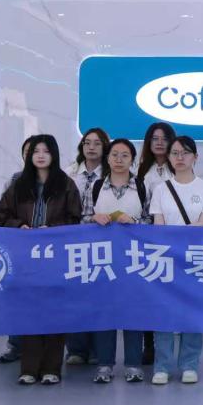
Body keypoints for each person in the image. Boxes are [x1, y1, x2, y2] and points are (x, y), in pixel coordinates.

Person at [0, 134, 82, 385]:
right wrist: (19, 225)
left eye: (46, 151)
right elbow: (2, 213)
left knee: (55, 312)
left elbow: (75, 218)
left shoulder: (66, 184)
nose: (41, 155)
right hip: (27, 258)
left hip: (56, 258)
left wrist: (52, 229)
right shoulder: (19, 184)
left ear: (54, 155)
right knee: (30, 312)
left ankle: (51, 369)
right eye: (36, 151)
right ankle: (29, 368)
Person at [148, 136, 203, 385]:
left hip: (195, 259)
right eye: (175, 153)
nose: (180, 157)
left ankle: (190, 364)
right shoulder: (160, 189)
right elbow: (158, 225)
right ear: (168, 157)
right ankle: (162, 366)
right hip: (167, 259)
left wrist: (179, 237)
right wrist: (174, 242)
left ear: (195, 157)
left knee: (193, 313)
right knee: (164, 313)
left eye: (185, 153)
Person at [84, 138, 151, 384]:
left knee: (134, 311)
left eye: (125, 155)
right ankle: (104, 364)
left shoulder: (142, 186)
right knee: (105, 310)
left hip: (133, 259)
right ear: (108, 158)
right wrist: (94, 219)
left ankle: (133, 364)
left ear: (132, 159)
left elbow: (151, 221)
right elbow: (82, 218)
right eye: (115, 155)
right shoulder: (96, 186)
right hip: (102, 260)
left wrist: (133, 222)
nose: (119, 160)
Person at [65, 127, 110, 366]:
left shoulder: (112, 174)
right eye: (87, 143)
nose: (91, 147)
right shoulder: (69, 173)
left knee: (100, 297)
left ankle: (96, 350)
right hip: (73, 242)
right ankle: (76, 349)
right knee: (75, 297)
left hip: (101, 243)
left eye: (97, 143)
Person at [136, 121, 176, 364]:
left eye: (164, 138)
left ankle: (171, 346)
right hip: (149, 239)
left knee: (173, 294)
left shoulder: (179, 167)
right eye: (155, 138)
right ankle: (149, 344)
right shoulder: (141, 172)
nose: (159, 143)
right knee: (149, 295)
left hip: (175, 239)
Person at [0, 135, 35, 364]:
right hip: (19, 248)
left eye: (41, 151)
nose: (35, 156)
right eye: (30, 151)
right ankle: (16, 345)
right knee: (18, 299)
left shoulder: (60, 182)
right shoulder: (15, 180)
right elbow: (3, 213)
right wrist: (19, 225)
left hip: (49, 250)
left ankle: (44, 349)